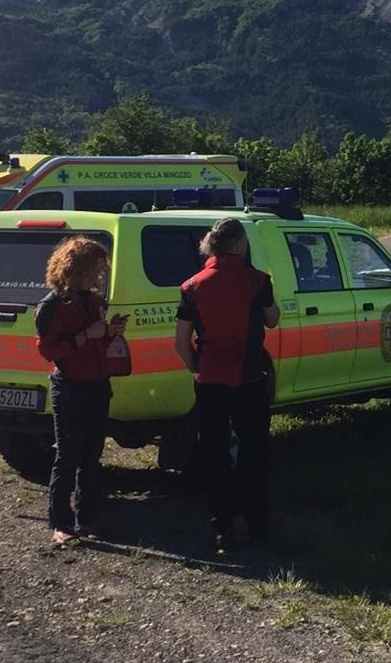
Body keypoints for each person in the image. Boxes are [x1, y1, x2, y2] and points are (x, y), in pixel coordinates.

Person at [174, 217, 279, 551]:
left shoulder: (190, 287)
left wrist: (197, 368)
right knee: (254, 449)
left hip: (210, 379)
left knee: (215, 452)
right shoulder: (258, 281)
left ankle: (222, 525)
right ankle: (256, 519)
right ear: (238, 245)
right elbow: (272, 319)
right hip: (248, 376)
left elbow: (180, 341)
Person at [34, 236, 125, 546]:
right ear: (76, 268)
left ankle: (87, 519)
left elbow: (97, 340)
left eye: (100, 271)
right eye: (94, 271)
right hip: (70, 386)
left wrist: (110, 332)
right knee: (68, 455)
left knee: (92, 456)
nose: (98, 277)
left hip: (98, 384)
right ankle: (60, 523)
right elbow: (48, 350)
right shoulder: (52, 305)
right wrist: (86, 336)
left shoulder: (94, 300)